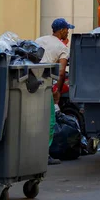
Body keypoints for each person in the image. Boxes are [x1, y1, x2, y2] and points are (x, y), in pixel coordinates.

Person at [36, 18, 75, 165]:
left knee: (34, 120)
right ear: (62, 30)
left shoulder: (39, 40)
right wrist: (57, 92)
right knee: (50, 121)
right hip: (47, 86)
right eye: (67, 29)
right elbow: (60, 73)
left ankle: (32, 151)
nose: (68, 32)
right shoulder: (62, 48)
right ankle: (44, 155)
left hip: (31, 84)